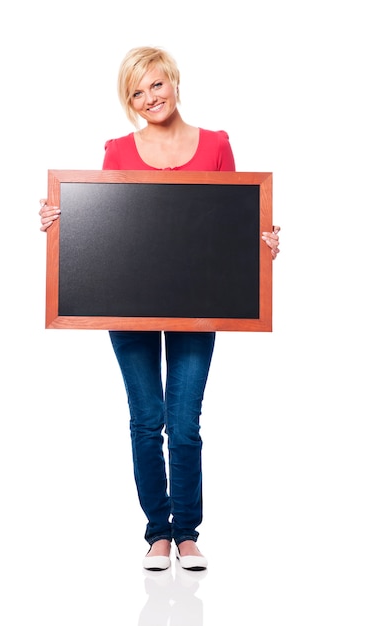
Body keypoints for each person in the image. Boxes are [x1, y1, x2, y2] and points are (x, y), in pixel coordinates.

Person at [39, 46, 280, 572]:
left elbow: (230, 224)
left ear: (172, 81)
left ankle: (187, 533)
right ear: (128, 101)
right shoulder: (117, 150)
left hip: (198, 304)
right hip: (130, 306)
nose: (149, 98)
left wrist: (260, 241)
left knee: (184, 421)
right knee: (147, 421)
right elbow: (109, 226)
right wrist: (63, 220)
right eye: (136, 92)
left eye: (155, 85)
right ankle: (158, 533)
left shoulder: (216, 145)